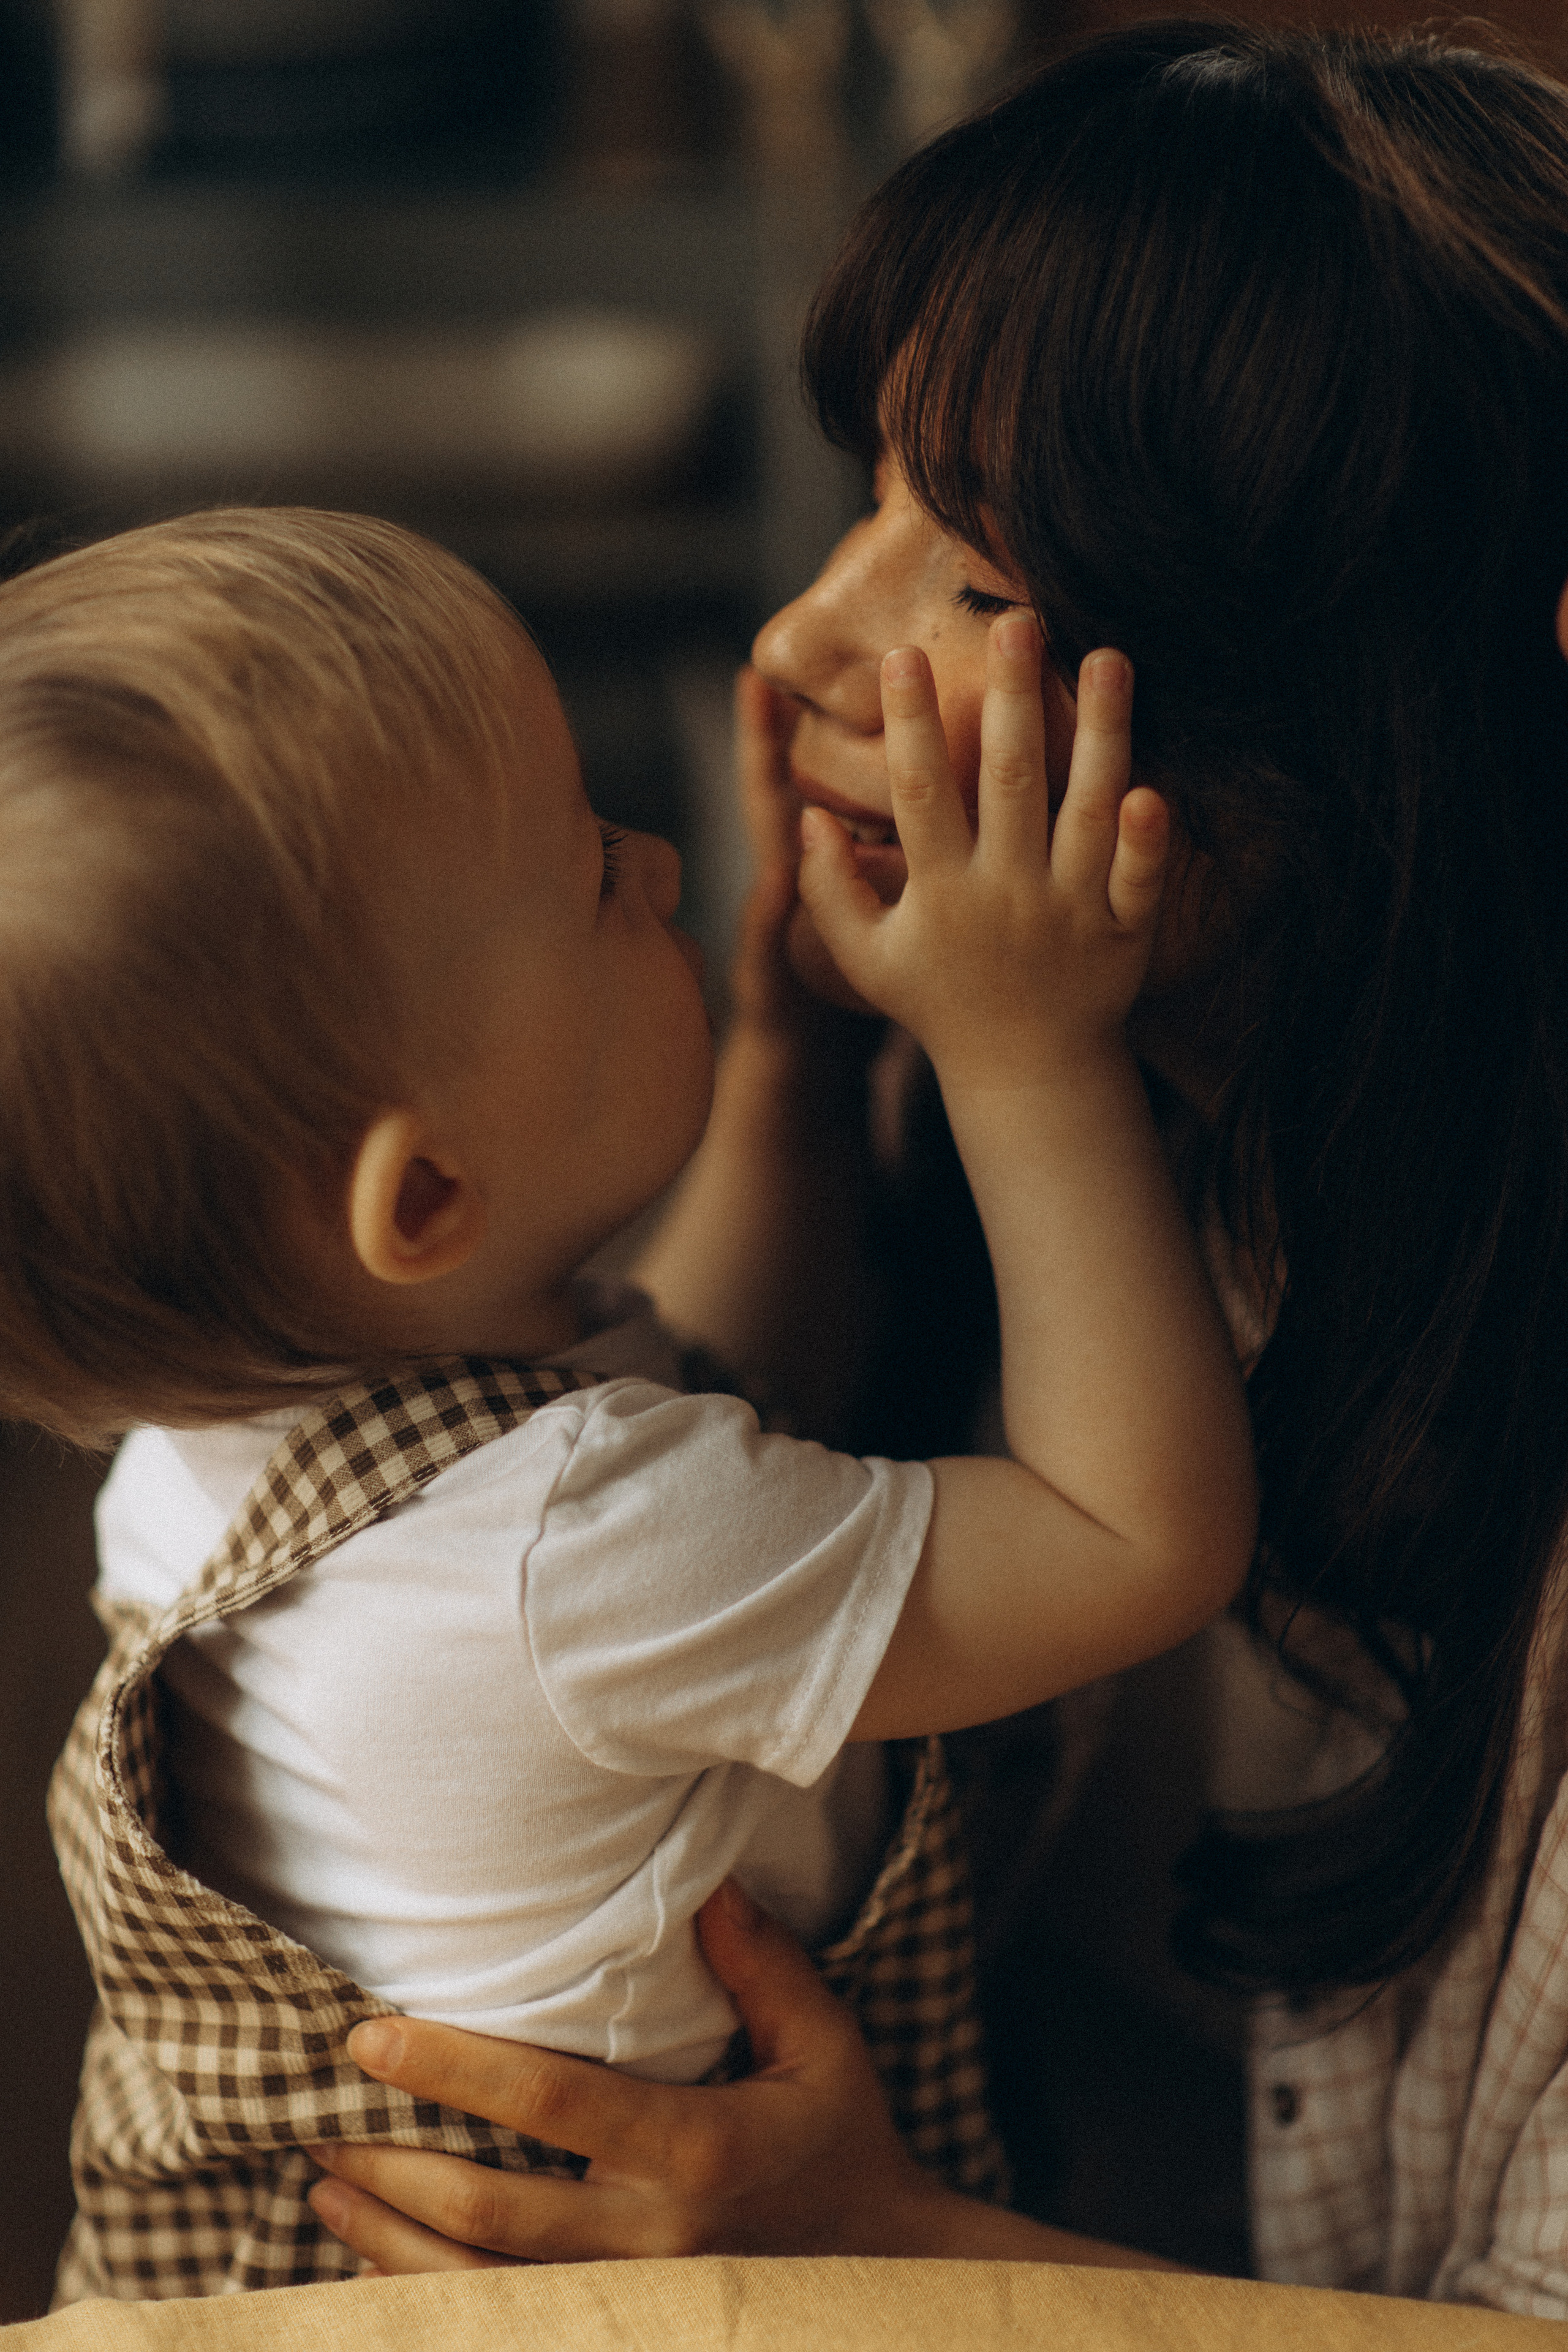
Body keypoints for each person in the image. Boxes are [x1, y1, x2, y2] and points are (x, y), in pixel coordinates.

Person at [302, 21, 1568, 2320]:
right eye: (863, 499)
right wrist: (792, 1059)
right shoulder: (1044, 1071)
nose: (804, 642)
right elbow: (680, 1446)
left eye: (975, 575)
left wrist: (891, 2248)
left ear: (1365, 711)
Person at [8, 507, 1255, 2297]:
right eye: (592, 871)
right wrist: (1025, 1048)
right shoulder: (576, 1561)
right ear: (425, 1198)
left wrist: (783, 1062)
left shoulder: (215, 1445)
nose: (666, 863)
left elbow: (678, 1393)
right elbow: (1135, 1539)